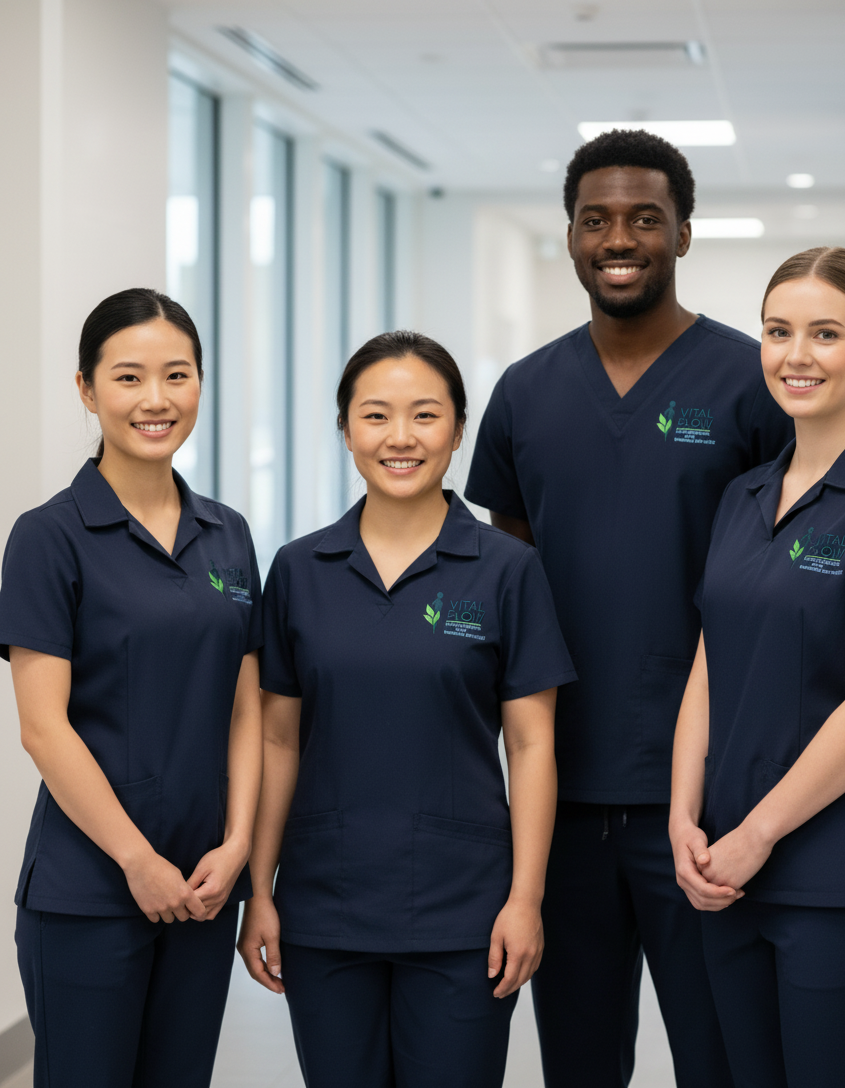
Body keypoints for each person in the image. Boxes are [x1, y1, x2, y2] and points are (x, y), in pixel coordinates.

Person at [464, 128, 793, 1087]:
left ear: (683, 234)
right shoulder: (525, 394)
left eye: (645, 218)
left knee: (720, 1056)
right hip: (558, 800)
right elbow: (506, 587)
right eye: (595, 219)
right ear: (570, 237)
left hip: (704, 795)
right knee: (576, 1059)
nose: (620, 237)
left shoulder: (750, 384)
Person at [237, 331, 576, 1088]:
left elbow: (530, 746)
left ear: (458, 429)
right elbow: (277, 739)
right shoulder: (299, 569)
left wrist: (526, 899)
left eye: (424, 416)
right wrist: (259, 891)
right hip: (325, 908)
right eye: (376, 415)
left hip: (465, 911)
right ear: (346, 429)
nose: (400, 438)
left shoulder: (508, 571)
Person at [670, 247, 845, 1088]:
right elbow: (707, 667)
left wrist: (755, 836)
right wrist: (685, 818)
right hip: (725, 873)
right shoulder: (744, 496)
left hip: (838, 880)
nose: (796, 355)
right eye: (777, 331)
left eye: (825, 334)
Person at [0, 288, 263, 1088]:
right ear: (86, 389)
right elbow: (43, 728)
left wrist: (241, 844)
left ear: (200, 383)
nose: (156, 399)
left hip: (205, 884)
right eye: (127, 377)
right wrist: (136, 860)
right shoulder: (49, 538)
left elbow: (246, 703)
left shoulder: (228, 533)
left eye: (176, 375)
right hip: (91, 889)